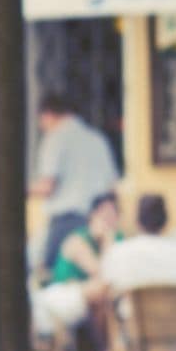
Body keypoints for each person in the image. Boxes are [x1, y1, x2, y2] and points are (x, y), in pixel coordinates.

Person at [28, 94, 120, 273]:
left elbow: (47, 186)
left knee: (53, 274)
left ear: (48, 115)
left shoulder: (55, 139)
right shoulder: (97, 139)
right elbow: (112, 186)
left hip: (66, 222)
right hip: (99, 221)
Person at [32, 191, 121, 339]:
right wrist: (107, 240)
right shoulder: (78, 240)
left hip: (92, 299)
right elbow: (103, 273)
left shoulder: (118, 238)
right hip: (62, 297)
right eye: (105, 216)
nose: (109, 222)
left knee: (105, 299)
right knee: (102, 290)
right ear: (93, 216)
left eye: (113, 216)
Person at [101, 194, 176, 296]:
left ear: (137, 221)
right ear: (166, 221)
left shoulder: (119, 253)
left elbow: (107, 286)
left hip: (133, 314)